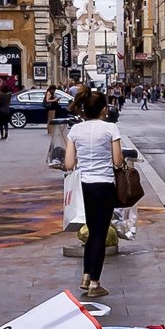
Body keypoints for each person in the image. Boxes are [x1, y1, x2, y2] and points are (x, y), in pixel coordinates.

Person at [64, 91, 125, 300]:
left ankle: (85, 275)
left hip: (85, 185)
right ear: (104, 109)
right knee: (100, 233)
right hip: (105, 184)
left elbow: (69, 164)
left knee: (92, 230)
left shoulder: (75, 130)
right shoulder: (110, 128)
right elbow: (117, 161)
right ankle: (95, 283)